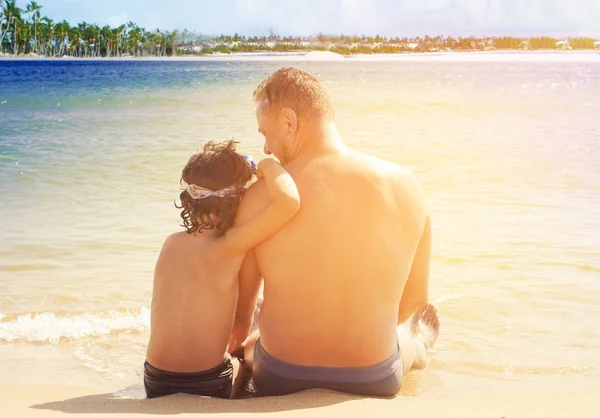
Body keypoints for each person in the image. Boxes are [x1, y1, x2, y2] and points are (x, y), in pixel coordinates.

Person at [228, 68, 440, 397]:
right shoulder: (405, 184)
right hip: (374, 377)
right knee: (402, 335)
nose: (266, 149)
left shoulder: (261, 198)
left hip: (280, 377)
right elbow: (416, 298)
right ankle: (417, 344)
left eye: (265, 132)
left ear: (288, 121)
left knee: (256, 339)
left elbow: (241, 316)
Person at [144, 140, 300, 399]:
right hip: (208, 384)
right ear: (238, 198)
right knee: (251, 341)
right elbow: (288, 202)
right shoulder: (232, 245)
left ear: (188, 200)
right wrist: (268, 164)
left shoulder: (170, 244)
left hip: (155, 381)